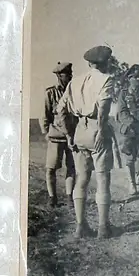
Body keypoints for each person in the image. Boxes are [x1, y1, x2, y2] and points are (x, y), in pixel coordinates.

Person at [58, 44, 116, 239]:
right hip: (96, 130)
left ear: (89, 63)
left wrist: (68, 135)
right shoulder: (106, 80)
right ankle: (102, 227)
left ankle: (81, 226)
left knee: (81, 179)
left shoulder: (75, 82)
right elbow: (103, 108)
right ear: (105, 62)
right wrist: (100, 131)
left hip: (79, 132)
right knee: (102, 179)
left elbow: (61, 110)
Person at [39, 62, 76, 207]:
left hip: (72, 137)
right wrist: (46, 132)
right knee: (51, 169)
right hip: (56, 137)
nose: (70, 76)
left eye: (70, 74)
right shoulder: (50, 93)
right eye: (67, 74)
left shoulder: (74, 92)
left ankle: (69, 198)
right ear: (60, 76)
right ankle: (52, 198)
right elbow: (44, 115)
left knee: (72, 168)